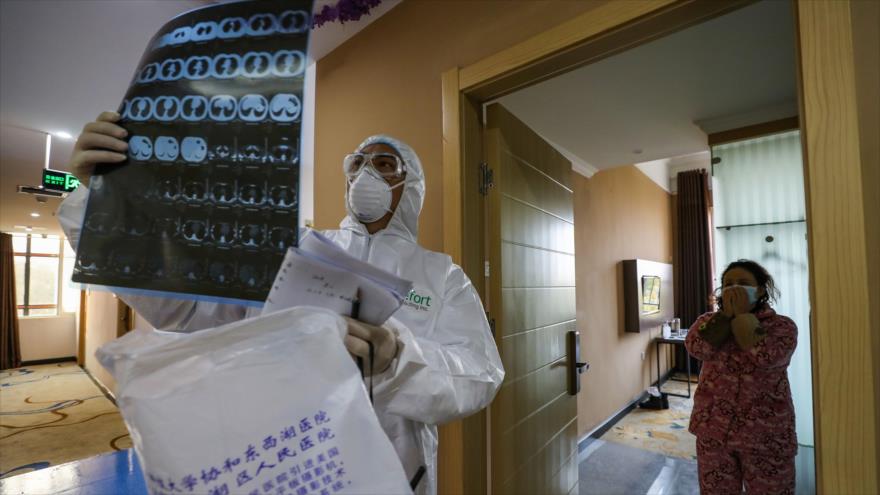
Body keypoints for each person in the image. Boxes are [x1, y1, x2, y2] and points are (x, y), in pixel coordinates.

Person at [58, 111, 505, 495]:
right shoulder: (299, 251)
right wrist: (101, 203)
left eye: (384, 164)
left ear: (410, 183)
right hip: (290, 453)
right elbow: (188, 305)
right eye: (358, 164)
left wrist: (399, 359)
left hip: (396, 466)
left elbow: (481, 374)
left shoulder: (441, 274)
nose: (366, 174)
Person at [685, 259, 798, 494]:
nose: (734, 289)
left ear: (760, 289)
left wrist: (743, 319)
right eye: (728, 284)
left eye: (743, 283)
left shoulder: (782, 326)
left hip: (766, 435)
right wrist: (725, 318)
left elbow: (766, 357)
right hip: (713, 429)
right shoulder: (707, 322)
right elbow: (698, 349)